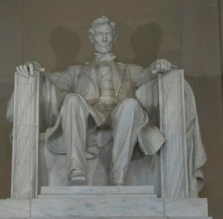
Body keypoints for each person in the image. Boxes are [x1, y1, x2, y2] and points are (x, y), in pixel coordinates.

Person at [14, 16, 202, 187]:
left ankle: (119, 175)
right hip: (89, 119)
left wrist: (159, 66)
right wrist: (36, 68)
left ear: (114, 36)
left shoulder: (128, 70)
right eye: (99, 35)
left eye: (107, 35)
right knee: (72, 100)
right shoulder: (77, 71)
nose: (104, 39)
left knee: (131, 104)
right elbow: (52, 78)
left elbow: (147, 75)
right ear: (91, 38)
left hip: (119, 117)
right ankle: (77, 172)